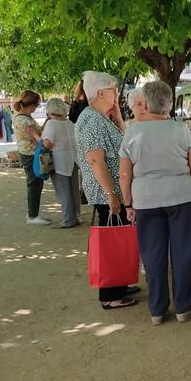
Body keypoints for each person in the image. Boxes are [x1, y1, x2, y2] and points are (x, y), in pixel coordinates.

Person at [119, 81, 191, 325]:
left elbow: (124, 173)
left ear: (146, 104)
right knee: (183, 253)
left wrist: (128, 204)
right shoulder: (180, 130)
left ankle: (157, 310)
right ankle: (183, 307)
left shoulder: (132, 132)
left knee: (153, 255)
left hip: (146, 200)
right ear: (169, 104)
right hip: (183, 198)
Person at [76, 70, 139, 311]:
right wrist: (112, 194)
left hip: (113, 192)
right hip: (107, 194)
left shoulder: (101, 117)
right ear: (101, 93)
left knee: (120, 238)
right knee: (113, 242)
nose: (116, 95)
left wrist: (120, 120)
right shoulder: (92, 119)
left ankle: (119, 283)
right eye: (113, 90)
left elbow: (125, 143)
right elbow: (96, 160)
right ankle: (110, 293)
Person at [12, 90, 50, 225]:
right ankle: (32, 215)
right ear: (30, 104)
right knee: (34, 184)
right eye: (36, 105)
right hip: (31, 154)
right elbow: (37, 137)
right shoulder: (25, 120)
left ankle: (34, 212)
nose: (36, 108)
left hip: (27, 153)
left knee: (36, 184)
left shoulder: (21, 116)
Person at [41, 98, 81, 228]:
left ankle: (68, 219)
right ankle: (75, 216)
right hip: (73, 158)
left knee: (63, 191)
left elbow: (48, 143)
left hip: (59, 160)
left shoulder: (51, 124)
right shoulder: (69, 123)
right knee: (74, 190)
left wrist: (38, 142)